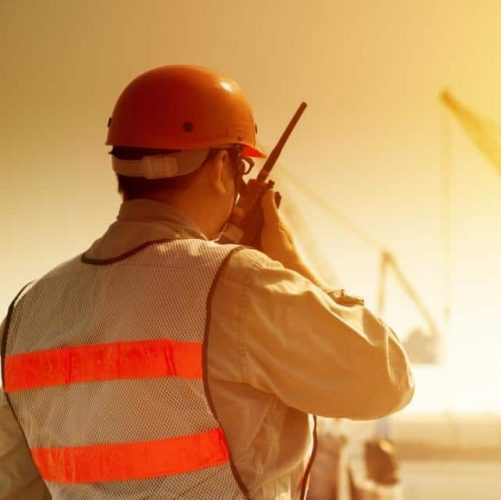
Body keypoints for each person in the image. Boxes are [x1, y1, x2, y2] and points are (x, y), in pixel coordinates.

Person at [0, 65, 414, 499]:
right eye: (240, 168)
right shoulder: (238, 286)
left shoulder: (28, 311)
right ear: (221, 167)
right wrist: (289, 260)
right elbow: (385, 379)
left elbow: (17, 487)